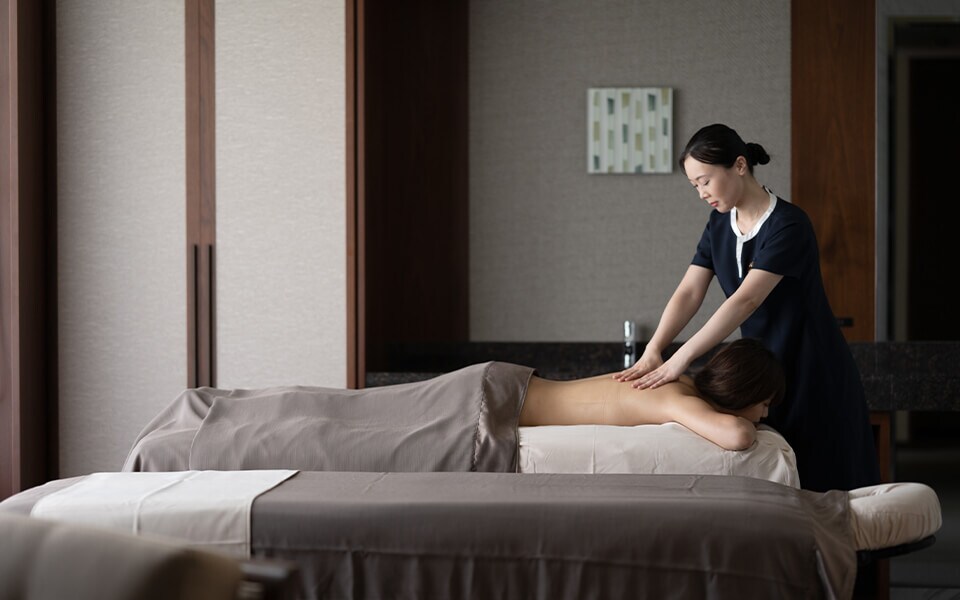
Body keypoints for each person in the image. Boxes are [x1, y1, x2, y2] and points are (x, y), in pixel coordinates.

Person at [615, 123, 880, 492]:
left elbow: (746, 300)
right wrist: (655, 349)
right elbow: (689, 291)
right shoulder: (719, 224)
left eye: (705, 181)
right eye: (695, 186)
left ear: (739, 165)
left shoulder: (788, 225)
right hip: (763, 374)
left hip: (813, 369)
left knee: (827, 482)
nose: (701, 193)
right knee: (780, 484)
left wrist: (680, 359)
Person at [522, 337, 784, 451]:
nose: (764, 414)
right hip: (508, 401)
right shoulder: (679, 398)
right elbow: (738, 436)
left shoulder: (681, 382)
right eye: (764, 403)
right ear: (742, 392)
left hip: (517, 388)